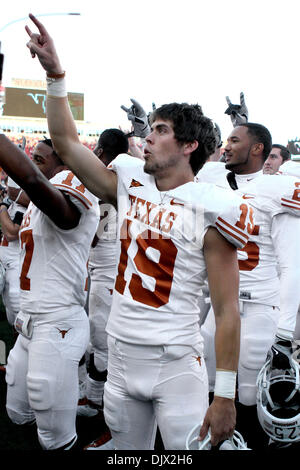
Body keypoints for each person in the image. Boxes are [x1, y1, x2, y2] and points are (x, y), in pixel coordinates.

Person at [24, 13, 255, 450]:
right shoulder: (129, 182)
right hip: (122, 355)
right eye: (149, 129)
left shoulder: (212, 208)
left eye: (161, 131)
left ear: (190, 147)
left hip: (175, 363)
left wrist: (224, 393)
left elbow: (226, 312)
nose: (147, 138)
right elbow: (68, 144)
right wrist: (56, 75)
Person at [197, 122, 300, 449]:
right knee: (209, 394)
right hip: (217, 308)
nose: (226, 146)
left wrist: (284, 334)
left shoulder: (278, 188)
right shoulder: (211, 178)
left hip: (259, 310)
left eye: (234, 140)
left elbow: (291, 264)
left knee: (252, 404)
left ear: (257, 148)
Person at [0, 134, 99, 450]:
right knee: (17, 411)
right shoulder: (38, 205)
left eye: (41, 157)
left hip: (58, 322)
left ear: (65, 162)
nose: (34, 162)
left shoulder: (71, 187)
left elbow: (30, 179)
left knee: (53, 432)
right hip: (29, 322)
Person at [77, 128, 129, 420]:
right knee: (100, 338)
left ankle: (101, 404)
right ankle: (97, 399)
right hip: (112, 268)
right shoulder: (126, 175)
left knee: (101, 341)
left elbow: (93, 234)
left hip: (106, 271)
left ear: (101, 150)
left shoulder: (109, 179)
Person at [0, 179, 29, 326]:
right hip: (6, 261)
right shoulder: (13, 204)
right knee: (8, 304)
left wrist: (2, 208)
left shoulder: (23, 208)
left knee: (16, 302)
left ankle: (21, 338)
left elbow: (11, 233)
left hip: (16, 263)